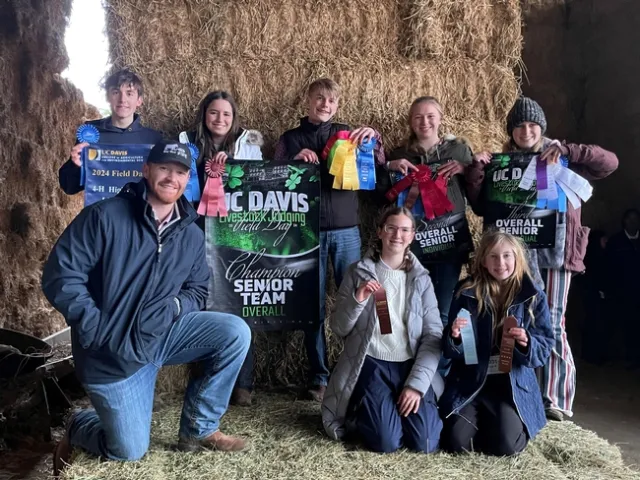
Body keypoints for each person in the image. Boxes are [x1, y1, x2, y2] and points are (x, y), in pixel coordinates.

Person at [42, 142, 251, 477]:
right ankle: (79, 425)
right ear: (146, 170)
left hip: (161, 336)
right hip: (112, 354)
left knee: (234, 332)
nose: (172, 178)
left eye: (181, 172)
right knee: (128, 451)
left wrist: (175, 306)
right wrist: (95, 327)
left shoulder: (190, 233)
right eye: (165, 168)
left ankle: (199, 428)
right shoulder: (105, 216)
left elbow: (198, 289)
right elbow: (60, 276)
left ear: (188, 179)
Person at [466, 96, 618, 421]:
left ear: (542, 127)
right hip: (514, 258)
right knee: (515, 324)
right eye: (519, 125)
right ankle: (522, 392)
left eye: (532, 124)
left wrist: (569, 150)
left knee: (554, 323)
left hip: (556, 254)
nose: (526, 130)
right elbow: (481, 206)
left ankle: (557, 400)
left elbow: (609, 163)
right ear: (511, 130)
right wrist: (480, 167)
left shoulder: (562, 157)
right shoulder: (502, 163)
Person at [274, 78, 386, 402]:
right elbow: (271, 179)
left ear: (337, 105)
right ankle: (319, 376)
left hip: (346, 230)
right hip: (305, 235)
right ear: (307, 101)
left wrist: (374, 139)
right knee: (313, 308)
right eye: (320, 98)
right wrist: (293, 163)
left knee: (358, 299)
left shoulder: (349, 135)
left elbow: (377, 167)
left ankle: (357, 368)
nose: (325, 104)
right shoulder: (290, 139)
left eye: (331, 100)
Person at [321, 206, 443, 453]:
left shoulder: (422, 280)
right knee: (386, 442)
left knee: (426, 443)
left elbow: (433, 335)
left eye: (404, 230)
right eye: (391, 228)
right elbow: (338, 328)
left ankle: (407, 408)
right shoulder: (358, 272)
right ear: (379, 232)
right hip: (372, 363)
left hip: (408, 364)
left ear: (412, 236)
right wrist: (359, 297)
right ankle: (363, 409)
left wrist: (416, 385)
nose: (397, 235)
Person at [377, 96, 474, 374]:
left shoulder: (460, 151)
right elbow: (379, 194)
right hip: (412, 249)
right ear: (411, 121)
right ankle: (407, 368)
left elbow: (479, 188)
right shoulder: (399, 156)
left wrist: (467, 169)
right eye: (418, 117)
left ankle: (434, 376)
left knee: (441, 313)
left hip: (448, 246)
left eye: (430, 116)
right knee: (409, 312)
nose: (425, 122)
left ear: (440, 118)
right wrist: (388, 168)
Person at [180, 90, 263, 406]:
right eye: (214, 113)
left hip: (235, 232)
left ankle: (243, 384)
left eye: (226, 114)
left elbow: (259, 185)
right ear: (204, 115)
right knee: (200, 302)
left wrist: (237, 169)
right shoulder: (187, 145)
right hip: (196, 231)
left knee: (239, 301)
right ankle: (206, 380)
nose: (219, 119)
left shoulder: (247, 146)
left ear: (234, 118)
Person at [440, 231, 554, 456]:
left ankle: (504, 423)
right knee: (456, 444)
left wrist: (526, 343)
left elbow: (545, 346)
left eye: (506, 256)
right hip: (471, 380)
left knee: (507, 447)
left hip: (510, 385)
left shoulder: (534, 296)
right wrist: (454, 337)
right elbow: (448, 350)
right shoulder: (465, 292)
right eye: (493, 256)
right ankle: (482, 420)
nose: (500, 263)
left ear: (517, 258)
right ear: (483, 260)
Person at [59, 69, 163, 195]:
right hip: (102, 212)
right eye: (116, 92)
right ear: (108, 97)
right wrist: (76, 166)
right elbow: (69, 187)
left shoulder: (154, 139)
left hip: (138, 213)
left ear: (139, 100)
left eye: (129, 93)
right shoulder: (91, 133)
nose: (122, 100)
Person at [606, 209, 640, 368]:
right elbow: (608, 267)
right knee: (620, 324)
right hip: (621, 292)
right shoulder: (615, 242)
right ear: (624, 221)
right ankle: (620, 358)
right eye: (630, 219)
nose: (633, 222)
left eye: (636, 219)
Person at [579, 230, 611, 365]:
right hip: (593, 298)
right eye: (604, 240)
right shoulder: (593, 259)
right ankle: (592, 356)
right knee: (594, 326)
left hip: (599, 298)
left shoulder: (603, 256)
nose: (606, 243)